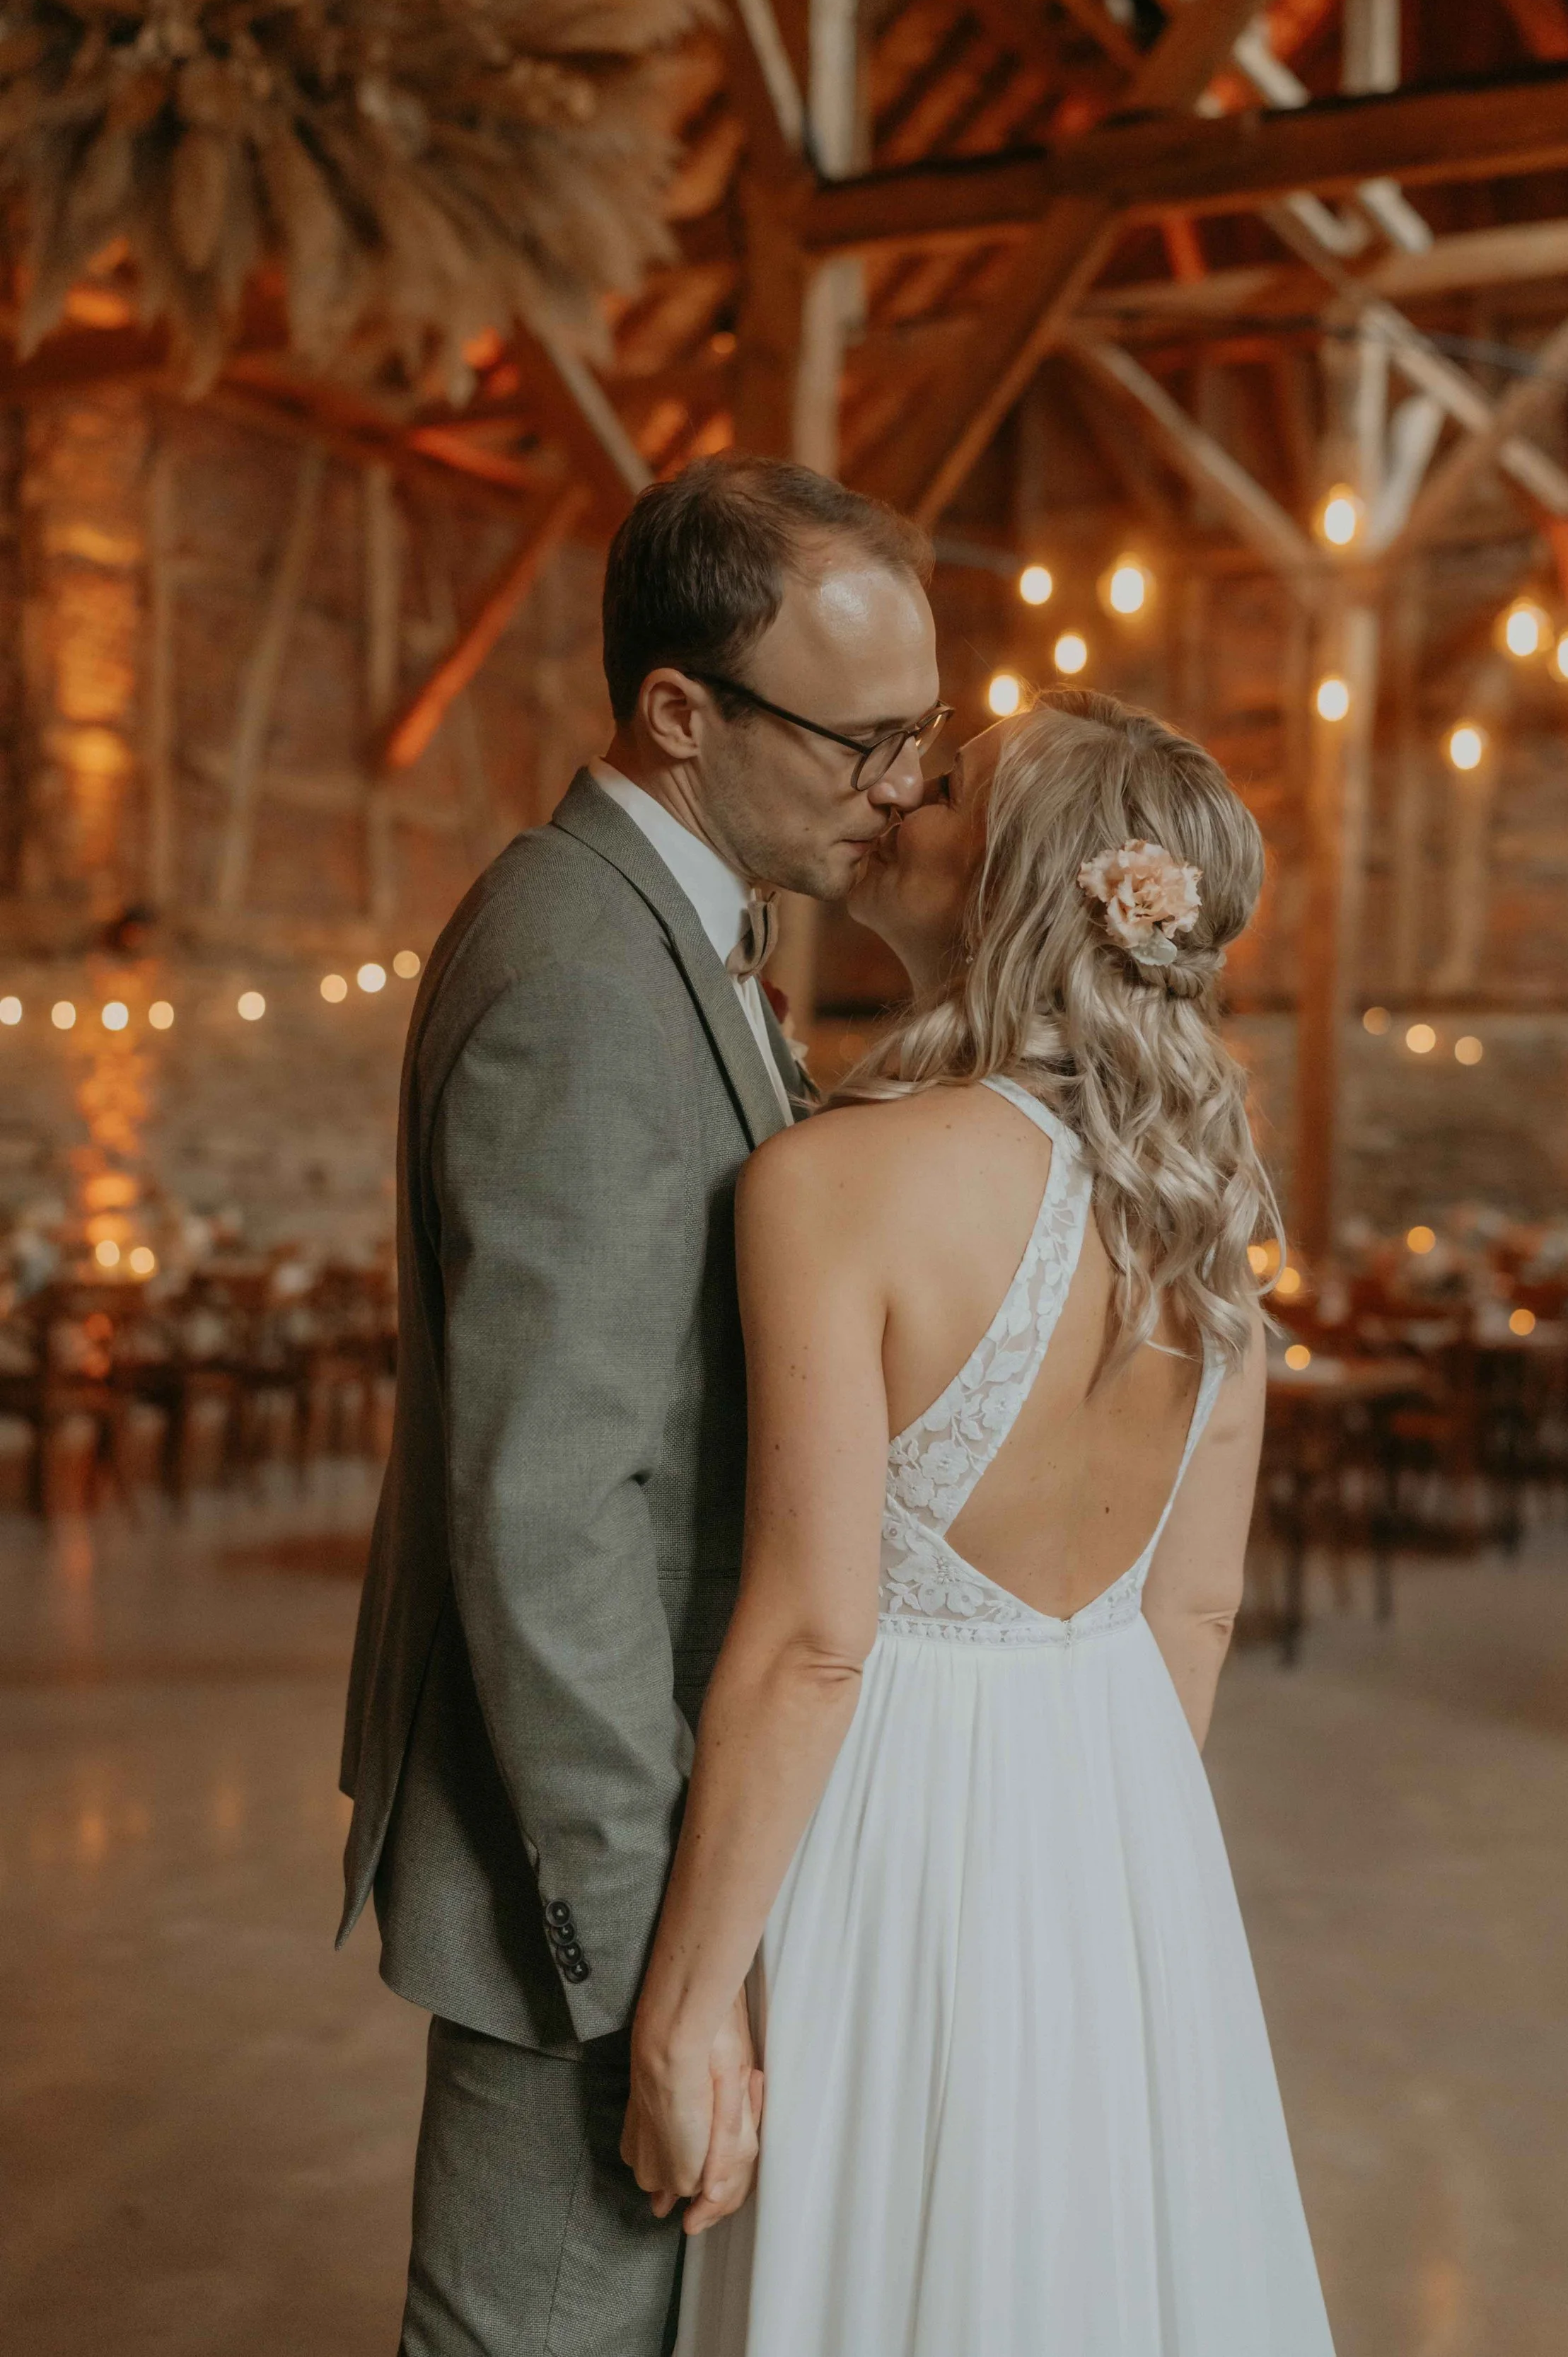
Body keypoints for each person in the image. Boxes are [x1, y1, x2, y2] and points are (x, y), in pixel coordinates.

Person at [624, 689, 1337, 2357]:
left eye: (941, 786)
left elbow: (814, 1644)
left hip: (885, 1823)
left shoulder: (834, 1184)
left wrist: (684, 2008)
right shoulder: (1201, 1225)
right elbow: (1191, 1615)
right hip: (1117, 1823)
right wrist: (1091, 1862)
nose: (895, 795)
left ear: (1005, 880)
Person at [337, 456, 942, 2357]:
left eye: (922, 734)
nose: (903, 788)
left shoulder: (682, 931)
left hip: (675, 1829)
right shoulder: (584, 971)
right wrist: (641, 1957)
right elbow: (547, 1505)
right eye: (860, 741)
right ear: (677, 711)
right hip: (590, 1857)